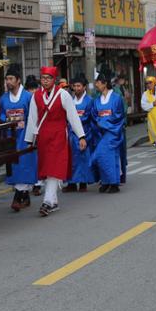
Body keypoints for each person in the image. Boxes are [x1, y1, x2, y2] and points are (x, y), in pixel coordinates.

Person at [24, 66, 87, 217]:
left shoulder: (63, 94)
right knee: (46, 169)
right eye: (43, 78)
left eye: (48, 78)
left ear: (54, 80)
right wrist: (29, 139)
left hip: (59, 135)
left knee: (54, 168)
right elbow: (32, 118)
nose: (45, 81)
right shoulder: (36, 96)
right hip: (43, 136)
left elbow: (72, 116)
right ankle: (53, 202)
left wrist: (81, 136)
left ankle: (47, 201)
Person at [0, 64, 38, 211]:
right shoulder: (3, 99)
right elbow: (1, 115)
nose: (8, 82)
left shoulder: (28, 97)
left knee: (25, 166)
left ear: (18, 80)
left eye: (11, 79)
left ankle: (18, 197)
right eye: (6, 79)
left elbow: (33, 117)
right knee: (14, 168)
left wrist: (33, 136)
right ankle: (24, 196)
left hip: (25, 137)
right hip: (11, 138)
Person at [91, 73, 125, 193]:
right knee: (104, 157)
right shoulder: (96, 100)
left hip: (113, 132)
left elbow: (119, 115)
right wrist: (99, 125)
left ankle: (113, 182)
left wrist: (104, 123)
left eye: (98, 83)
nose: (96, 85)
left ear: (105, 83)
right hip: (101, 133)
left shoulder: (116, 98)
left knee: (107, 156)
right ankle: (106, 181)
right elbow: (94, 116)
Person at [63, 74, 95, 193]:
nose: (76, 88)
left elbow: (90, 118)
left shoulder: (89, 101)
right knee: (71, 159)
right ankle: (71, 183)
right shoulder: (70, 100)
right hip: (71, 134)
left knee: (83, 159)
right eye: (74, 86)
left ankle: (82, 182)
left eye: (79, 86)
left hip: (84, 133)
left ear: (84, 87)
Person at [24, 75, 45, 197]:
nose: (32, 92)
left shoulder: (40, 98)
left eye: (34, 89)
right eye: (30, 89)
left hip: (39, 131)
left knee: (38, 158)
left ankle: (38, 183)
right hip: (27, 131)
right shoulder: (27, 99)